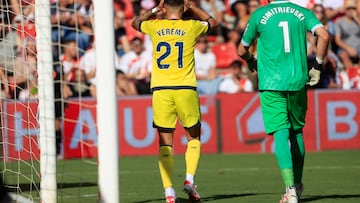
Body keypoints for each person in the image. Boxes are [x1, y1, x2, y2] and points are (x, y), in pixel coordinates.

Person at [237, 0, 329, 203]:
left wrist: (253, 62)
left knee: (280, 134)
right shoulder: (302, 12)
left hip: (271, 83)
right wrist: (318, 65)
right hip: (297, 80)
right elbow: (324, 35)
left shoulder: (260, 14)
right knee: (296, 131)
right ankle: (297, 184)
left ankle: (290, 191)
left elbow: (241, 50)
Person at [131, 0, 217, 202]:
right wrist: (193, 8)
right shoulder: (191, 26)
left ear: (164, 7)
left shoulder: (154, 25)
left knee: (165, 143)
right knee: (193, 138)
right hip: (185, 88)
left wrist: (154, 10)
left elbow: (135, 23)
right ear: (183, 7)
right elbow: (213, 21)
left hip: (161, 90)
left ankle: (169, 192)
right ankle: (189, 180)